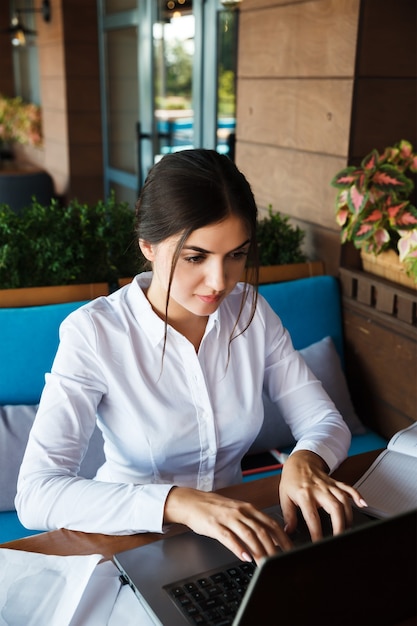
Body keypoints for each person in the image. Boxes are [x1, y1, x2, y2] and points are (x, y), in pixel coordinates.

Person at [16, 149, 367, 565]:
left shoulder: (251, 312)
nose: (220, 282)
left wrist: (306, 459)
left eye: (236, 255)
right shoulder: (94, 332)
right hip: (131, 542)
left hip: (240, 535)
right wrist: (179, 503)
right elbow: (36, 493)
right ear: (147, 245)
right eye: (195, 257)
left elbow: (323, 420)